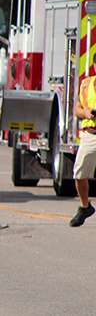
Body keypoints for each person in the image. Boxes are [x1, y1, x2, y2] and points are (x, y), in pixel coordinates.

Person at [71, 75, 96, 226]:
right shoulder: (86, 84)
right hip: (91, 133)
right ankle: (85, 207)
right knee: (79, 173)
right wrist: (85, 113)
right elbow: (77, 108)